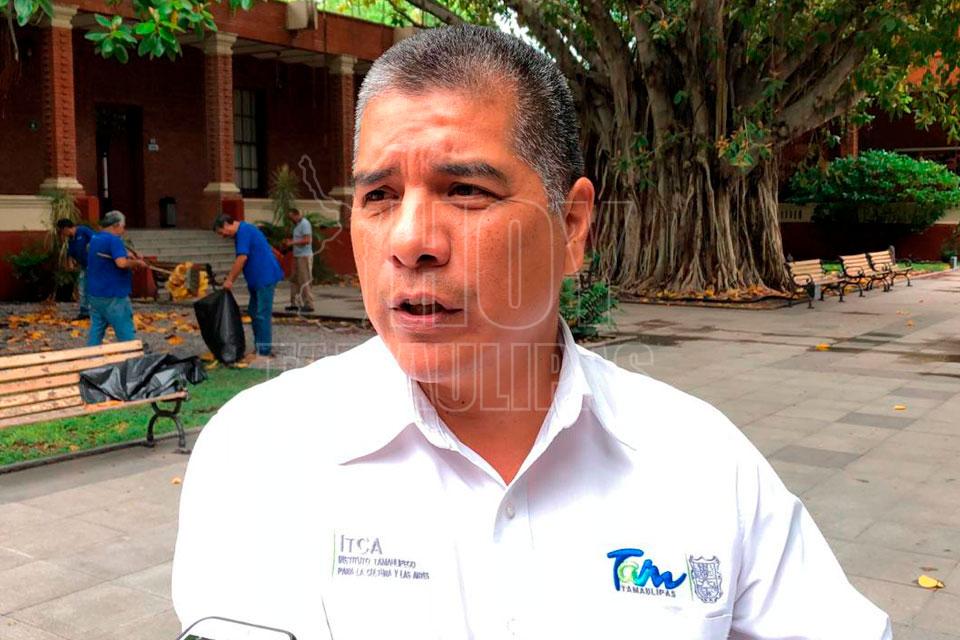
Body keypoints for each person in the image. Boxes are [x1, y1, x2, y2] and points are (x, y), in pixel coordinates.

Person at [173, 26, 891, 639]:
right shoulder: (263, 454)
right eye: (379, 196)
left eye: (466, 191)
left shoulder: (701, 464)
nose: (411, 240)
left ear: (571, 226)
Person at [213, 214, 284, 357]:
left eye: (222, 232)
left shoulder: (244, 231)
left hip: (264, 277)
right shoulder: (245, 230)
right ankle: (260, 346)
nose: (223, 236)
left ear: (227, 224)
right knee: (254, 311)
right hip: (257, 278)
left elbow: (242, 257)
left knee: (262, 313)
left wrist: (230, 280)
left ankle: (264, 350)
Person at [85, 210, 146, 346]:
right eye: (123, 227)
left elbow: (108, 254)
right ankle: (132, 356)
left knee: (96, 330)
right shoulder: (114, 240)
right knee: (125, 331)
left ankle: (91, 356)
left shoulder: (95, 238)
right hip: (113, 294)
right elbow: (121, 263)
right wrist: (137, 263)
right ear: (116, 225)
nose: (124, 230)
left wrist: (128, 254)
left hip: (95, 293)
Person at [56, 218, 95, 320]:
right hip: (83, 265)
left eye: (62, 231)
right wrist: (70, 263)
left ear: (66, 228)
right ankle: (84, 311)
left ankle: (95, 312)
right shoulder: (71, 239)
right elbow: (70, 252)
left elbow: (96, 241)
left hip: (93, 265)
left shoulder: (83, 231)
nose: (62, 234)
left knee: (91, 288)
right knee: (82, 287)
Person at [282, 208, 315, 312]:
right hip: (297, 255)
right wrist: (290, 242)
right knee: (294, 280)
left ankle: (309, 303)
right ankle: (294, 303)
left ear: (297, 215)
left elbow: (307, 240)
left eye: (292, 217)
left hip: (304, 256)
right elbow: (299, 239)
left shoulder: (305, 224)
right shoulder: (297, 225)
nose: (291, 220)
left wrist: (292, 243)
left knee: (304, 279)